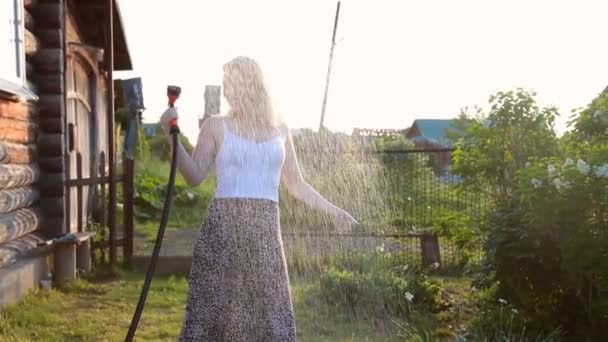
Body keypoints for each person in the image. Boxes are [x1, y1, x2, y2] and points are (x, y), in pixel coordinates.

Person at [159, 56, 358, 341]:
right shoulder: (216, 126)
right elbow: (194, 175)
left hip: (265, 236)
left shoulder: (281, 129)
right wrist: (172, 136)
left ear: (252, 85)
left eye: (231, 84)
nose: (227, 92)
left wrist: (334, 211)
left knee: (270, 319)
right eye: (225, 85)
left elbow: (296, 184)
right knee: (214, 316)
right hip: (223, 231)